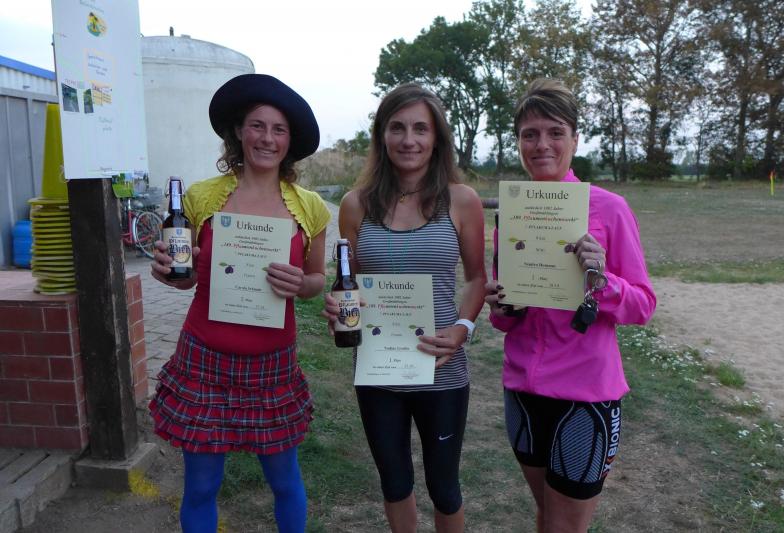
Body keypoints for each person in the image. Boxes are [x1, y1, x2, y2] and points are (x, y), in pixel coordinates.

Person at [148, 74, 330, 533]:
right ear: (238, 132)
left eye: (278, 129)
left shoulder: (310, 207)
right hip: (204, 360)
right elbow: (186, 279)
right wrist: (168, 270)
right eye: (257, 126)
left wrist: (301, 284)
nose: (267, 138)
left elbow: (316, 281)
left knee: (285, 481)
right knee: (201, 487)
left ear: (289, 141)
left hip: (272, 364)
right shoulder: (202, 197)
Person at [485, 78, 657, 532]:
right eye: (530, 134)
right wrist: (501, 307)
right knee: (546, 514)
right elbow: (506, 319)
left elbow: (643, 305)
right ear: (518, 142)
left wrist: (602, 282)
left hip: (585, 395)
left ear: (575, 139)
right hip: (523, 390)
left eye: (555, 132)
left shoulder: (609, 208)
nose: (542, 144)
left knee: (565, 526)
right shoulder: (513, 212)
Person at [323, 83, 486, 532]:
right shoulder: (355, 205)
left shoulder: (462, 200)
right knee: (394, 483)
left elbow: (476, 278)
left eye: (420, 128)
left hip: (440, 367)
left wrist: (463, 328)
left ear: (436, 138)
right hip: (378, 370)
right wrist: (338, 310)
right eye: (397, 127)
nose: (408, 139)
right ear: (382, 135)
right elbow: (349, 284)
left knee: (445, 488)